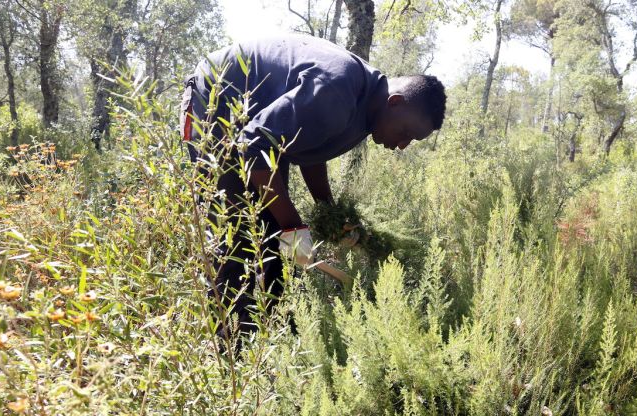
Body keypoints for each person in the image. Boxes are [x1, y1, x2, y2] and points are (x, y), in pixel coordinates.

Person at [180, 33, 446, 342]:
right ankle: (226, 352)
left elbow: (310, 149)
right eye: (406, 133)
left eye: (410, 141)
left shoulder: (369, 110)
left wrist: (326, 211)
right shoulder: (338, 89)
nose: (402, 145)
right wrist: (293, 226)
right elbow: (253, 149)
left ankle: (270, 338)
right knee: (237, 232)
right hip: (217, 102)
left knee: (272, 235)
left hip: (256, 131)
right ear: (396, 102)